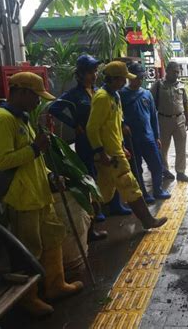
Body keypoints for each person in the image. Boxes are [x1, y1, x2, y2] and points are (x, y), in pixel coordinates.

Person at [0, 72, 83, 316]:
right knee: (28, 249)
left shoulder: (23, 118)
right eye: (35, 97)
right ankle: (28, 298)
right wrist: (34, 148)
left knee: (53, 238)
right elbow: (1, 161)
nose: (38, 103)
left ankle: (55, 285)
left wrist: (51, 175)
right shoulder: (2, 119)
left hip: (39, 193)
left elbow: (35, 161)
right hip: (21, 198)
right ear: (21, 92)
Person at [49, 54, 131, 224]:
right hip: (86, 141)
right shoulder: (73, 94)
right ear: (80, 74)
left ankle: (115, 204)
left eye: (95, 71)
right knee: (90, 174)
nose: (94, 75)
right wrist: (73, 124)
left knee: (111, 171)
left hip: (106, 140)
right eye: (89, 72)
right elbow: (54, 108)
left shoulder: (101, 91)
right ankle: (96, 209)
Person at [86, 61, 167, 230]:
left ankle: (88, 229)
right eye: (123, 79)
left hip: (115, 151)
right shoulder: (102, 98)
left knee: (102, 193)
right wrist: (101, 152)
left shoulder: (114, 96)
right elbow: (92, 129)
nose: (125, 82)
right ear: (114, 79)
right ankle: (148, 220)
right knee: (130, 187)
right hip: (109, 155)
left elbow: (114, 126)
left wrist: (122, 146)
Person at [119, 63, 171, 203]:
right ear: (130, 77)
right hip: (131, 139)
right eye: (136, 77)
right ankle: (142, 194)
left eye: (141, 77)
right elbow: (116, 115)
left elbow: (153, 117)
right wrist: (123, 125)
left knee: (156, 165)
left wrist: (157, 136)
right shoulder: (121, 94)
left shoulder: (146, 93)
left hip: (148, 137)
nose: (139, 80)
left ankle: (157, 190)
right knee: (136, 169)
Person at [150, 61, 188, 182]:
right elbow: (151, 104)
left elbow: (185, 102)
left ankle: (180, 171)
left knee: (181, 147)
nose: (177, 74)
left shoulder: (181, 85)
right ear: (167, 71)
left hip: (179, 120)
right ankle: (165, 170)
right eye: (174, 72)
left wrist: (187, 119)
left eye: (178, 72)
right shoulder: (158, 85)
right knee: (163, 147)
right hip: (163, 120)